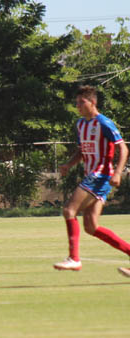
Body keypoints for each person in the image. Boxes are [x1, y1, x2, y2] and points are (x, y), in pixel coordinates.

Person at [53, 85, 130, 277]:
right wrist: (68, 165)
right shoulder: (81, 124)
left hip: (101, 175)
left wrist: (118, 173)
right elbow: (82, 150)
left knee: (69, 210)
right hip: (92, 175)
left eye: (82, 102)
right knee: (91, 226)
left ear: (92, 102)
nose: (78, 106)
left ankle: (74, 259)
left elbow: (124, 149)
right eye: (77, 102)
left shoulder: (104, 123)